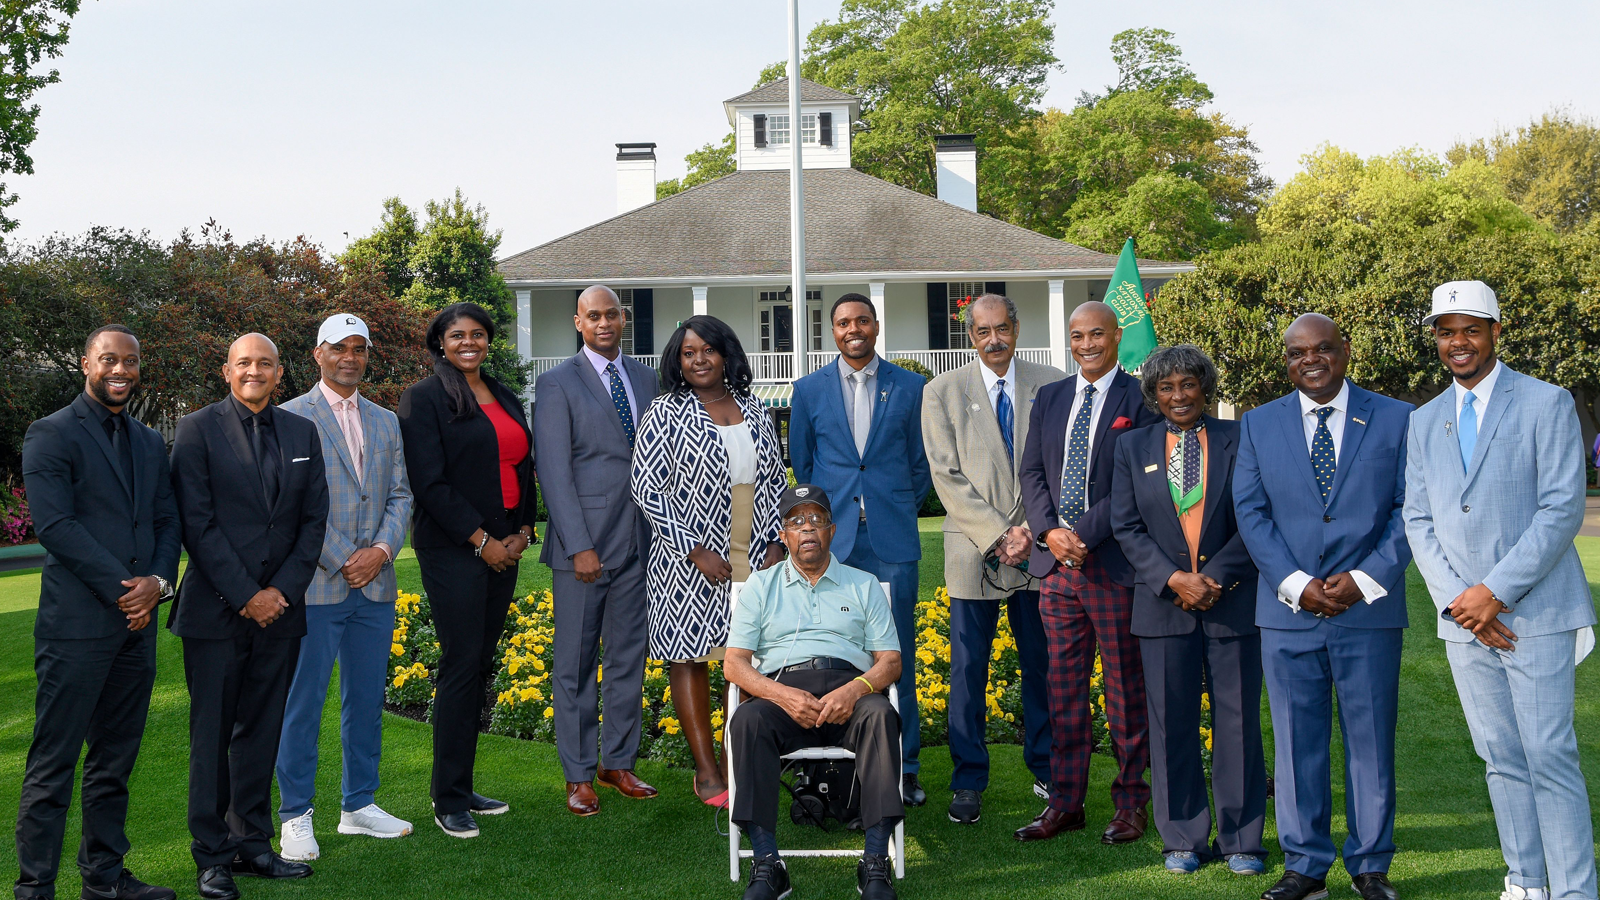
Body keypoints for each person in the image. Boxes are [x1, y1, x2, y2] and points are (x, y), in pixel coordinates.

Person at [1403, 281, 1598, 900]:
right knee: (1500, 758)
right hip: (1462, 620)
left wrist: (1495, 592)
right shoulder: (1424, 419)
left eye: (1470, 329)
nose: (1457, 342)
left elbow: (1563, 507)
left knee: (1548, 755)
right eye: (1445, 330)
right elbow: (1418, 519)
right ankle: (1526, 882)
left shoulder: (1546, 402)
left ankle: (1573, 891)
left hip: (1534, 613)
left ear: (1494, 331)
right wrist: (1462, 602)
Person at [1234, 314, 1413, 900]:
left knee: (1370, 741)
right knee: (1294, 741)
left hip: (1368, 611)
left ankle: (1370, 865)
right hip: (1288, 612)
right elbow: (1251, 512)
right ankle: (1305, 866)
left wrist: (1365, 578)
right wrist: (1294, 582)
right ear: (1286, 360)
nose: (1310, 360)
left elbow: (1411, 509)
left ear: (1346, 351)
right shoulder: (1259, 424)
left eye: (1323, 349)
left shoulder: (1397, 417)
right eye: (1297, 353)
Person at [16, 325, 180, 900]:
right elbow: (57, 527)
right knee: (53, 764)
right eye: (108, 359)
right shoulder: (50, 434)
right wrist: (124, 590)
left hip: (136, 630)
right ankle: (34, 887)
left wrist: (157, 585)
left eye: (130, 362)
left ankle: (104, 879)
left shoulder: (148, 441)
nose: (120, 370)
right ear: (86, 363)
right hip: (77, 629)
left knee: (114, 763)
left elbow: (166, 522)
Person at [168, 333, 328, 900]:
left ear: (279, 373)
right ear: (226, 371)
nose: (253, 370)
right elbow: (197, 524)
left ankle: (253, 843)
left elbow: (313, 522)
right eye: (243, 363)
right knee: (212, 738)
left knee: (261, 733)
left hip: (281, 612)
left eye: (264, 363)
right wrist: (247, 595)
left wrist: (280, 592)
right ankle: (211, 856)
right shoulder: (196, 430)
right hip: (216, 612)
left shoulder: (302, 432)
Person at [1112, 345, 1265, 876]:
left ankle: (1242, 838)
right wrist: (1173, 578)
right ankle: (1181, 836)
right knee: (1170, 723)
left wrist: (1215, 578)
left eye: (1188, 385)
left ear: (1205, 387)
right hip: (1163, 607)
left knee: (1238, 722)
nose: (1179, 396)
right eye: (1167, 388)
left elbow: (1256, 518)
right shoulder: (1131, 447)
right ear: (1153, 395)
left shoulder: (1240, 439)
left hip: (1232, 603)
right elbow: (1126, 526)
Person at [631, 315, 787, 807]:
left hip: (753, 549)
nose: (698, 360)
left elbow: (774, 480)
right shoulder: (665, 411)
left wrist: (775, 543)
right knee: (690, 657)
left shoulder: (755, 407)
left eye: (707, 350)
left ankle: (738, 761)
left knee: (741, 658)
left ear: (726, 354)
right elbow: (647, 488)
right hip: (688, 557)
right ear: (678, 361)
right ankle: (707, 772)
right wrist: (694, 549)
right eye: (687, 353)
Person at [274, 314, 414, 861]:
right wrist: (344, 558)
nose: (350, 357)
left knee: (365, 701)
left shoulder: (385, 420)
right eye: (340, 348)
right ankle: (295, 814)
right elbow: (290, 504)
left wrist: (379, 552)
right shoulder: (291, 417)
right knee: (302, 704)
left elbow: (401, 494)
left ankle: (358, 804)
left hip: (375, 586)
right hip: (315, 587)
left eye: (359, 348)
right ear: (318, 354)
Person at [1018, 300, 1158, 843]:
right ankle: (1066, 802)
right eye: (1077, 336)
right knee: (1064, 691)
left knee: (1125, 690)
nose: (1086, 345)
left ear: (1117, 336)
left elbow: (1136, 483)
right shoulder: (1051, 397)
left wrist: (1083, 536)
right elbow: (1032, 471)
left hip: (1113, 566)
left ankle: (1129, 803)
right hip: (1056, 570)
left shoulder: (1140, 398)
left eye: (1096, 334)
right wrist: (1051, 531)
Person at [920, 293, 1063, 824]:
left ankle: (1047, 768)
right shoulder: (942, 391)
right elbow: (945, 474)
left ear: (1017, 327)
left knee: (1041, 666)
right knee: (967, 670)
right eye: (983, 332)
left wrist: (1030, 531)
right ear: (970, 335)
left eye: (1002, 328)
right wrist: (1000, 534)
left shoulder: (1050, 382)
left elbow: (1059, 465)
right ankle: (968, 779)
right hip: (973, 551)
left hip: (1037, 548)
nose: (994, 340)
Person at [397, 302, 537, 839]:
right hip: (456, 548)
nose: (469, 343)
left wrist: (523, 531)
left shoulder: (500, 393)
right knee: (460, 665)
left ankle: (464, 783)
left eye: (478, 334)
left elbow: (523, 465)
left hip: (505, 543)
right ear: (440, 343)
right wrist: (481, 541)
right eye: (457, 336)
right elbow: (429, 484)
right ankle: (447, 798)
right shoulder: (424, 398)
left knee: (480, 663)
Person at [725, 484, 904, 900]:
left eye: (816, 520)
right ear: (784, 535)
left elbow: (890, 661)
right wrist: (782, 696)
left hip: (852, 696)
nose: (807, 529)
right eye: (796, 521)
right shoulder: (760, 586)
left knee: (880, 714)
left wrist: (856, 689)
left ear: (833, 530)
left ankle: (875, 862)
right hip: (785, 696)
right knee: (746, 719)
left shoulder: (863, 585)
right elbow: (735, 663)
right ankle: (768, 863)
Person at [789, 292, 932, 806]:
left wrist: (887, 505)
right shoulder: (807, 391)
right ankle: (830, 767)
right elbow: (805, 465)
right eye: (844, 322)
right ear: (833, 331)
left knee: (897, 653)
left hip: (891, 539)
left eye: (862, 320)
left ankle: (906, 765)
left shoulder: (912, 387)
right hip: (833, 543)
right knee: (828, 652)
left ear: (876, 325)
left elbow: (921, 465)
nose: (854, 329)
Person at [534, 285, 660, 817]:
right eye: (594, 316)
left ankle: (618, 763)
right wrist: (578, 545)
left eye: (612, 314)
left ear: (623, 319)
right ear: (578, 323)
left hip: (641, 544)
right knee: (576, 665)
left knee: (628, 658)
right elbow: (554, 472)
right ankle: (579, 774)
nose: (604, 323)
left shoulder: (649, 378)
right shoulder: (557, 382)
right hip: (583, 551)